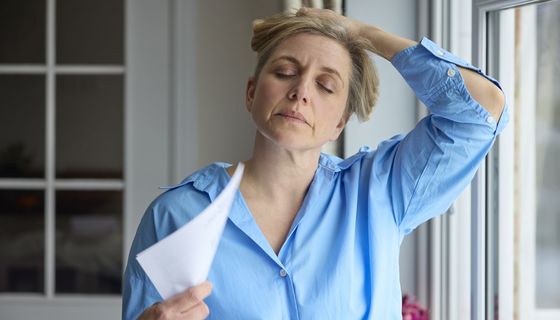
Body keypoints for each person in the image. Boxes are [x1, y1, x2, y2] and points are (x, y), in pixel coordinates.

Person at [123, 7, 508, 320]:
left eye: (326, 86)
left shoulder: (381, 192)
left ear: (341, 121)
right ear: (252, 93)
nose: (301, 91)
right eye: (285, 72)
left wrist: (364, 33)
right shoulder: (175, 216)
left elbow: (481, 112)